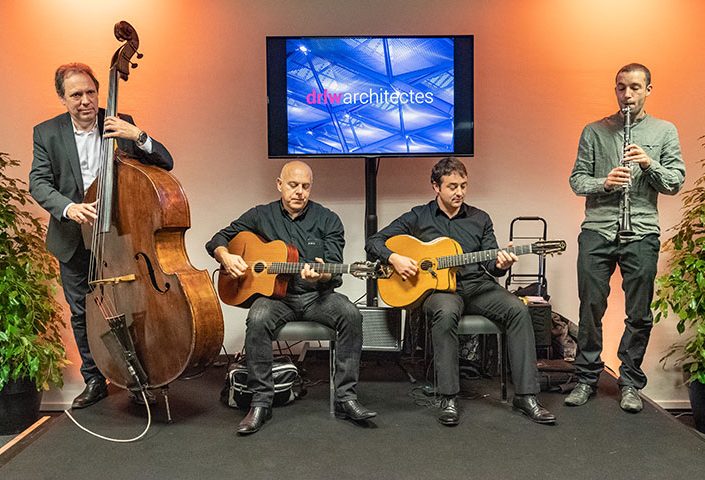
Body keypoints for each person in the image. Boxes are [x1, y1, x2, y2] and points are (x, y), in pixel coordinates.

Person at [366, 157, 555, 426]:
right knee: (444, 312)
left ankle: (525, 396)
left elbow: (492, 265)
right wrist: (394, 258)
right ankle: (448, 397)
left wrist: (501, 263)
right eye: (452, 186)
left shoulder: (480, 218)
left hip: (477, 286)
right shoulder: (418, 216)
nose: (459, 192)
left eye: (464, 186)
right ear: (436, 187)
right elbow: (374, 242)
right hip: (441, 291)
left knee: (517, 309)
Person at [29, 63, 174, 409]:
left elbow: (165, 162)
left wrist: (136, 134)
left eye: (90, 92)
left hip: (121, 236)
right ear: (62, 98)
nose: (85, 101)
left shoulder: (119, 120)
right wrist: (68, 207)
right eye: (76, 95)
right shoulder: (46, 133)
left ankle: (139, 378)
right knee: (81, 311)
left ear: (99, 92)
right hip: (72, 237)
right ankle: (95, 380)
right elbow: (39, 182)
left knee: (131, 307)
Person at [206, 160, 376, 435]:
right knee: (258, 317)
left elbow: (334, 269)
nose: (299, 192)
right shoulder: (260, 216)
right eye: (293, 185)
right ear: (279, 185)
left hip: (315, 297)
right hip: (276, 299)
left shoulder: (328, 219)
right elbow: (219, 238)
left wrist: (320, 275)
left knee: (351, 314)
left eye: (305, 186)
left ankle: (346, 398)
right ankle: (261, 402)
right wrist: (225, 255)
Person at [566, 63, 685, 413]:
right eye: (621, 87)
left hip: (642, 231)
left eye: (635, 87)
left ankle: (630, 382)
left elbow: (675, 182)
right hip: (598, 229)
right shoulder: (595, 131)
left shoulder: (664, 131)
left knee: (639, 313)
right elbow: (576, 180)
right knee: (590, 308)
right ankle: (587, 378)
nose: (627, 95)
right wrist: (604, 182)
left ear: (649, 89)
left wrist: (647, 163)